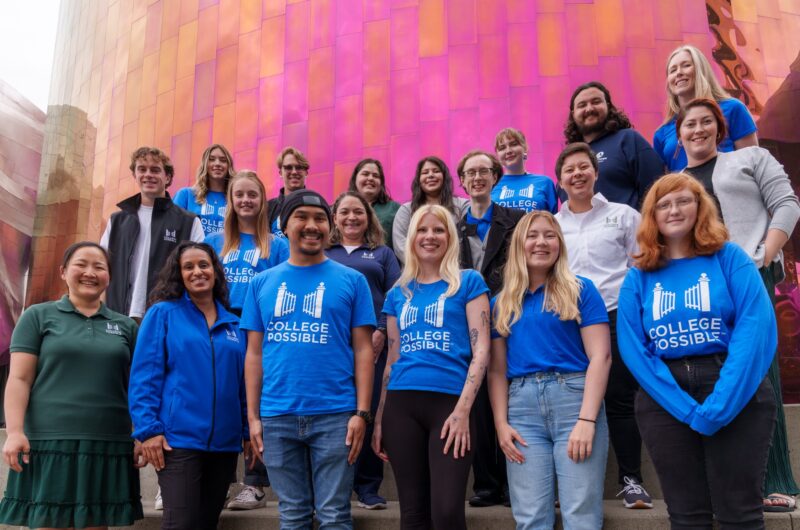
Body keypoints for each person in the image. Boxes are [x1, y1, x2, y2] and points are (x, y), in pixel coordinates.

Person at [617, 174, 778, 527]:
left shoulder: (729, 257)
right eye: (664, 204)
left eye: (683, 201)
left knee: (741, 515)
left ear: (700, 206)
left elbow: (755, 328)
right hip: (665, 398)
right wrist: (686, 408)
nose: (674, 210)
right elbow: (634, 349)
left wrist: (719, 405)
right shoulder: (639, 275)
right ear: (652, 216)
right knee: (687, 517)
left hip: (734, 385)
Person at [677, 98, 800, 512]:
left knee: (760, 374)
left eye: (706, 122)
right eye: (689, 124)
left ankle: (776, 478)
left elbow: (787, 204)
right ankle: (729, 483)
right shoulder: (674, 180)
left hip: (751, 271)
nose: (698, 130)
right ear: (678, 135)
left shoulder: (752, 157)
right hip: (704, 288)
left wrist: (765, 252)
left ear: (719, 128)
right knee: (720, 377)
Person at [241, 190, 376, 529]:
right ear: (284, 226)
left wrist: (361, 412)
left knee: (334, 515)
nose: (312, 225)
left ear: (330, 227)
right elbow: (254, 354)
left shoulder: (353, 280)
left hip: (335, 415)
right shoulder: (260, 284)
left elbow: (363, 350)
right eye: (301, 217)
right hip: (277, 417)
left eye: (320, 219)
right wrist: (253, 417)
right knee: (292, 515)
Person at [0, 242, 143, 529]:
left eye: (99, 267)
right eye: (81, 264)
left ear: (109, 277)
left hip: (108, 442)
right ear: (64, 272)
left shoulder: (126, 326)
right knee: (48, 522)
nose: (90, 272)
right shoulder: (38, 317)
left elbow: (137, 387)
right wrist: (14, 432)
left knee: (95, 523)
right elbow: (19, 379)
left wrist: (139, 434)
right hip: (49, 442)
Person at [488, 211, 611, 529]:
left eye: (549, 235)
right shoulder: (501, 302)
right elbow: (497, 371)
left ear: (560, 244)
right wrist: (501, 423)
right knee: (530, 518)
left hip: (574, 402)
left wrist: (587, 419)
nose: (541, 242)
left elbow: (601, 357)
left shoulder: (581, 290)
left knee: (581, 516)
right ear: (519, 244)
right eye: (533, 235)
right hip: (522, 411)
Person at [373, 204, 491, 530]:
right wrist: (380, 418)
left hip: (450, 403)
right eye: (422, 230)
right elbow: (392, 360)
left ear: (450, 237)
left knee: (447, 512)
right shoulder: (398, 292)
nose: (430, 236)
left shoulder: (468, 282)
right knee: (413, 515)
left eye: (438, 230)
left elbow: (481, 351)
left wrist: (463, 411)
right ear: (411, 238)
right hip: (401, 405)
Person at [553, 143, 651, 509]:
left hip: (613, 316)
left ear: (596, 173)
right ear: (559, 179)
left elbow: (642, 267)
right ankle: (568, 486)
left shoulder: (624, 215)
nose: (577, 174)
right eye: (569, 170)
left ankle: (631, 480)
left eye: (584, 167)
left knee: (620, 398)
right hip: (566, 322)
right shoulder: (554, 224)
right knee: (569, 403)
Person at [128, 242, 248, 530]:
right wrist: (148, 430)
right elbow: (145, 376)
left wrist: (245, 430)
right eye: (189, 267)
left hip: (224, 445)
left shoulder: (234, 324)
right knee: (181, 524)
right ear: (178, 274)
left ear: (216, 271)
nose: (198, 272)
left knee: (206, 524)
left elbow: (242, 384)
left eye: (204, 265)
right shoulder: (163, 314)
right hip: (176, 442)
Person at [205, 170, 289, 510]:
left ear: (262, 199)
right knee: (224, 401)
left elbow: (285, 289)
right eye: (238, 194)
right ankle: (222, 480)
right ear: (230, 200)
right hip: (220, 330)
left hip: (260, 332)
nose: (245, 200)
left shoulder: (277, 244)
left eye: (252, 194)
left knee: (254, 404)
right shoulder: (214, 243)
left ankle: (255, 484)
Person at [455, 150, 525, 507]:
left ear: (495, 177)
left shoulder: (517, 220)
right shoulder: (453, 229)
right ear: (463, 182)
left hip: (512, 315)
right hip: (471, 322)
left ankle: (518, 482)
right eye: (470, 173)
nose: (477, 178)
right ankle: (486, 483)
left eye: (484, 171)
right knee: (479, 402)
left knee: (513, 399)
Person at [326, 191, 402, 510]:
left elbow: (395, 294)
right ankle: (338, 485)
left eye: (359, 212)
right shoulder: (324, 252)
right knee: (339, 414)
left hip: (373, 344)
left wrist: (382, 330)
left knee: (367, 411)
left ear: (369, 217)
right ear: (335, 217)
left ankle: (368, 486)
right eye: (345, 212)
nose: (352, 217)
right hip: (332, 346)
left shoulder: (382, 254)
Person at [100, 146, 204, 320]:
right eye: (142, 169)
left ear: (167, 177)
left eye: (155, 170)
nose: (148, 174)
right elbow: (102, 265)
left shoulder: (189, 222)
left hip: (166, 315)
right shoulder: (117, 221)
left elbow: (198, 271)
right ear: (135, 175)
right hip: (118, 314)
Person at [653, 44, 758, 171]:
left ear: (701, 70)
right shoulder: (661, 134)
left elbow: (755, 164)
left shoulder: (733, 109)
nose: (679, 73)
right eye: (673, 70)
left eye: (686, 65)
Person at [563, 82, 664, 209]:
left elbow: (657, 187)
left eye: (596, 102)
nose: (589, 109)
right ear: (573, 114)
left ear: (608, 106)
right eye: (582, 105)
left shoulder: (628, 140)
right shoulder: (570, 156)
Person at [392, 156, 468, 263]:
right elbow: (401, 246)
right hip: (418, 274)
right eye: (425, 172)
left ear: (444, 177)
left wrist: (448, 265)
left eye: (436, 171)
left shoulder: (462, 206)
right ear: (418, 180)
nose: (430, 175)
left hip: (455, 270)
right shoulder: (406, 210)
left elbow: (468, 242)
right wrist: (428, 268)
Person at [173, 144, 236, 237]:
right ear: (205, 164)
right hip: (193, 250)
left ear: (229, 166)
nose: (217, 163)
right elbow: (172, 228)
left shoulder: (235, 199)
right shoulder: (186, 195)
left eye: (223, 160)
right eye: (211, 159)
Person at [492, 128, 559, 213]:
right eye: (502, 148)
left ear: (525, 148)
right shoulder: (491, 185)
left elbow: (553, 221)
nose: (508, 151)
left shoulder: (545, 182)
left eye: (514, 144)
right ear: (497, 155)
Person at [348, 158, 401, 249]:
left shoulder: (395, 208)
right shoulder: (340, 208)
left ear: (381, 183)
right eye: (365, 174)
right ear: (355, 178)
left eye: (376, 176)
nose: (370, 178)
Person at [267, 147, 310, 237]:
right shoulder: (268, 208)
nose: (294, 172)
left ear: (306, 172)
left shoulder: (316, 205)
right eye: (288, 168)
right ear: (280, 173)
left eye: (299, 167)